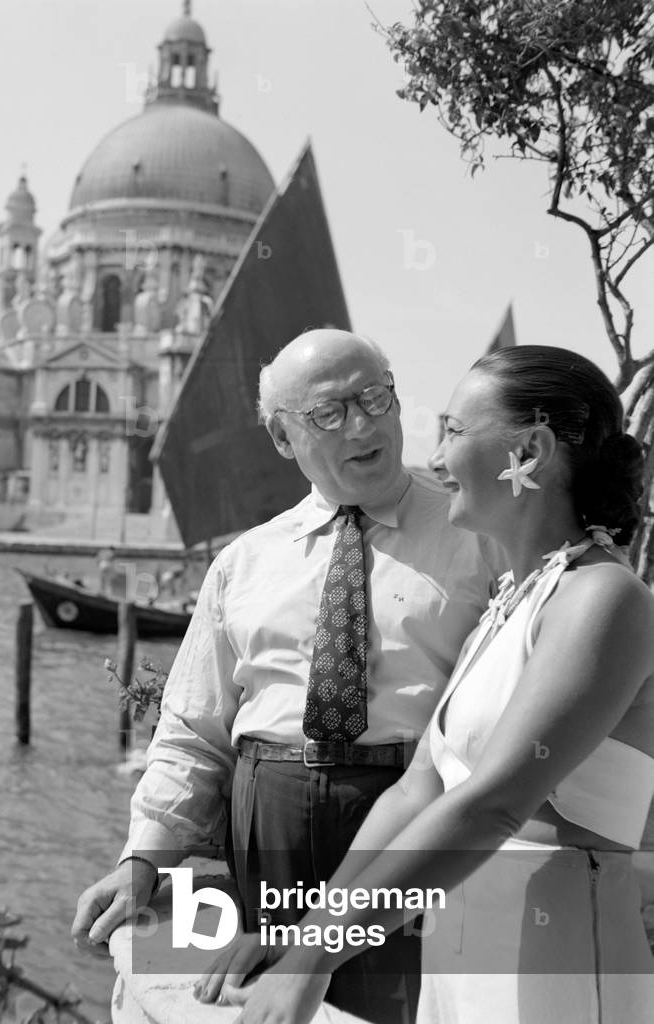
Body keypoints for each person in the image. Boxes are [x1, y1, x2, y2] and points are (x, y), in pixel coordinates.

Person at [204, 345, 654, 1024]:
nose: (435, 458)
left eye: (453, 430)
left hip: (558, 980)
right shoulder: (510, 601)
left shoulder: (604, 598)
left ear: (528, 451)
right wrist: (309, 936)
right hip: (459, 969)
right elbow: (419, 789)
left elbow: (493, 803)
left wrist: (315, 959)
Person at [72, 328, 503, 1022]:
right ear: (282, 437)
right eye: (330, 414)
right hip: (265, 835)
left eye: (376, 398)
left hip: (414, 834)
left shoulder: (483, 539)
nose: (364, 425)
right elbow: (192, 735)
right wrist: (143, 861)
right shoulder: (243, 567)